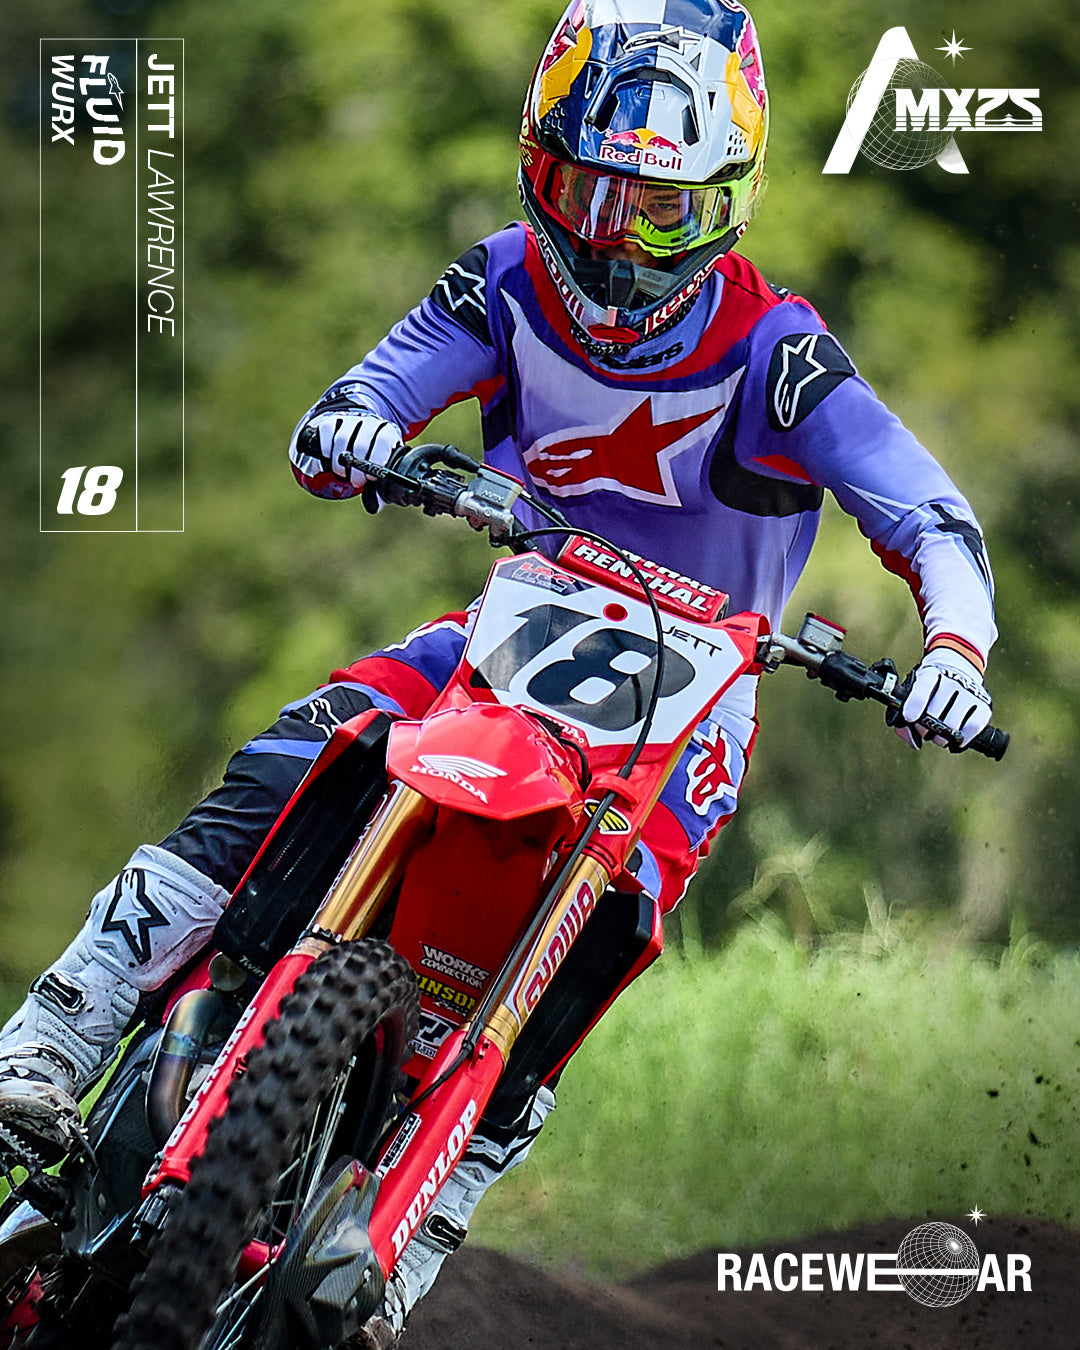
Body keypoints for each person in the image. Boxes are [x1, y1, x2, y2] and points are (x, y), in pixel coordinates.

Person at [0, 0, 996, 1341]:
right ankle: (53, 1035)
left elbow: (930, 516)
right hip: (506, 637)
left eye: (663, 212)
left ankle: (426, 1220)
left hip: (688, 712)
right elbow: (363, 396)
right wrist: (352, 431)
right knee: (301, 748)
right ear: (539, 169)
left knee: (603, 934)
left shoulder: (780, 355)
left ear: (729, 204)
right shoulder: (506, 282)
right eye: (592, 195)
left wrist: (955, 650)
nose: (620, 245)